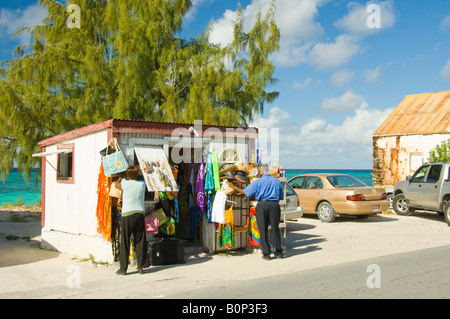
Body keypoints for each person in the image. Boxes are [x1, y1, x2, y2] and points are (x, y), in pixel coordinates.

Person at [229, 164, 284, 260]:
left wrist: (233, 187)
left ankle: (266, 254)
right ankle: (278, 253)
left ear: (261, 172)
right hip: (275, 205)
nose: (258, 173)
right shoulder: (276, 181)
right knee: (275, 229)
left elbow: (245, 192)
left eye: (258, 172)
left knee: (263, 230)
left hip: (262, 205)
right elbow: (281, 196)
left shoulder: (258, 182)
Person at [115, 166, 148, 275]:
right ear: (137, 174)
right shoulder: (142, 184)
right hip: (139, 213)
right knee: (140, 241)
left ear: (127, 175)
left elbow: (116, 185)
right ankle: (141, 267)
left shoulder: (124, 183)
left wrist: (120, 178)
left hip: (127, 214)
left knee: (125, 241)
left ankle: (123, 268)